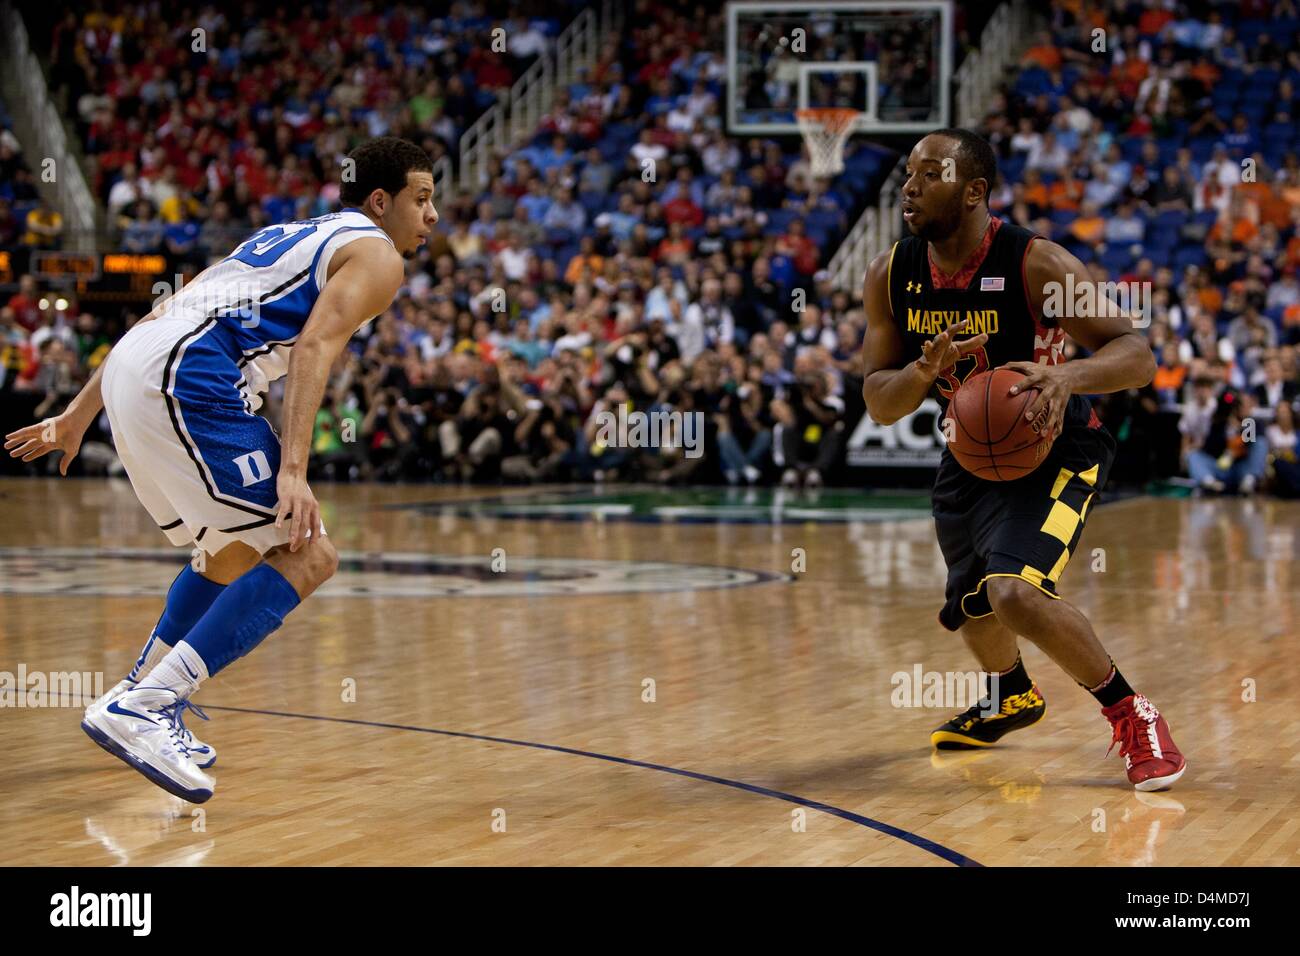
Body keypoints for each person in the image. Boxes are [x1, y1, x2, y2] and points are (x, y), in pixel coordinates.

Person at [4, 137, 438, 803]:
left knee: (231, 551)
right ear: (381, 202)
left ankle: (139, 694)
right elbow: (318, 343)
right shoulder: (377, 255)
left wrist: (77, 414)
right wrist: (293, 470)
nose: (433, 215)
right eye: (423, 198)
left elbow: (160, 311)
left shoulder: (288, 236)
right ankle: (148, 706)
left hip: (141, 362)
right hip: (192, 377)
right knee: (309, 553)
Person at [860, 129, 1185, 791]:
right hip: (969, 454)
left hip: (1059, 444)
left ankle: (1134, 715)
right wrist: (924, 368)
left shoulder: (1037, 264)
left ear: (976, 190)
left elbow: (1137, 355)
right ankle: (1009, 694)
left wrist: (1067, 379)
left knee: (1015, 593)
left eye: (931, 174)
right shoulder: (892, 274)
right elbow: (881, 404)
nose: (911, 188)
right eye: (908, 176)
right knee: (973, 607)